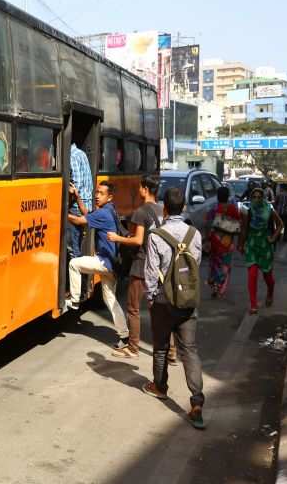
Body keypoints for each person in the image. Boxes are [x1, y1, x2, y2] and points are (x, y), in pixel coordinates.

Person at [143, 187, 206, 430]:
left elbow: (151, 270)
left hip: (163, 300)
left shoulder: (156, 235)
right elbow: (196, 264)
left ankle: (160, 386)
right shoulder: (195, 234)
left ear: (165, 209)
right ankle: (197, 402)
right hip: (188, 300)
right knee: (189, 350)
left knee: (160, 347)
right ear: (184, 208)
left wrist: (150, 297)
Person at [67, 181, 129, 347]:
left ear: (109, 197)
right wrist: (78, 197)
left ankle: (74, 300)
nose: (96, 195)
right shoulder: (109, 210)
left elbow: (80, 221)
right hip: (113, 265)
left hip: (104, 262)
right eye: (96, 192)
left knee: (74, 263)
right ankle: (124, 335)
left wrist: (60, 212)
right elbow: (87, 214)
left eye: (101, 193)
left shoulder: (104, 213)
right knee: (110, 299)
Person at [107, 175, 162, 359]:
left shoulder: (141, 212)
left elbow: (138, 240)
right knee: (160, 310)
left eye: (140, 187)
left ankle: (133, 347)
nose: (138, 190)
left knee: (133, 308)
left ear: (145, 189)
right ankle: (169, 352)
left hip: (141, 264)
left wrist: (118, 238)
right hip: (160, 265)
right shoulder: (163, 211)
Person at [238, 186, 283, 314]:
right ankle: (253, 305)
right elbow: (244, 229)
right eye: (254, 197)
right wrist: (241, 244)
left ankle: (270, 291)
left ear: (263, 198)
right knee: (252, 274)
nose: (256, 199)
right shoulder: (248, 210)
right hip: (251, 245)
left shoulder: (269, 209)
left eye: (259, 197)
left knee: (267, 276)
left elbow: (280, 224)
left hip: (265, 245)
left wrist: (273, 238)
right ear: (251, 198)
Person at [206, 186, 241, 299]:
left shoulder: (213, 209)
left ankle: (215, 286)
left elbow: (208, 225)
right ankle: (221, 287)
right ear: (227, 196)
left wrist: (207, 240)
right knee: (225, 265)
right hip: (228, 242)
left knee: (214, 265)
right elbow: (238, 225)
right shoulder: (233, 209)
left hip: (215, 241)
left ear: (217, 196)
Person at [67, 140, 93, 261]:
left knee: (73, 249)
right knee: (78, 245)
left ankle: (77, 278)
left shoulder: (71, 155)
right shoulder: (81, 153)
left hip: (76, 207)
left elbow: (75, 185)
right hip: (86, 205)